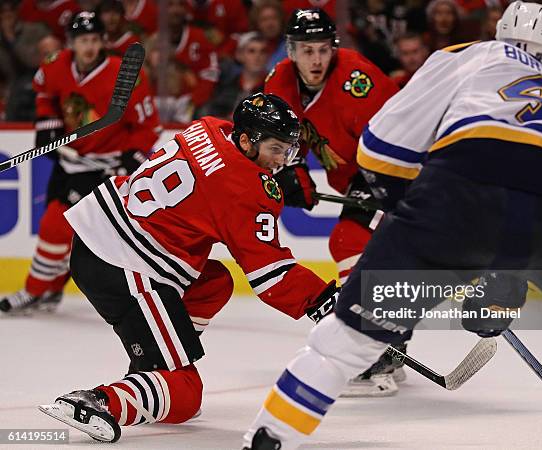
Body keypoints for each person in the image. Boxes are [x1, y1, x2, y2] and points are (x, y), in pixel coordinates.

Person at [243, 2, 542, 449]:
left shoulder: (471, 54)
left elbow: (382, 144)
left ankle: (268, 439)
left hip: (461, 185)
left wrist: (407, 215)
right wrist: (505, 276)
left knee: (339, 346)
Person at [37, 93, 341, 443]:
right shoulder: (247, 191)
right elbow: (271, 274)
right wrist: (322, 300)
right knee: (185, 394)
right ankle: (102, 401)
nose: (282, 160)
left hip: (101, 233)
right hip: (127, 263)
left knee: (214, 282)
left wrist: (273, 177)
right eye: (277, 149)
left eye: (288, 151)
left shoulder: (209, 127)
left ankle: (155, 363)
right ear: (247, 140)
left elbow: (218, 179)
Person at [264, 8, 403, 397]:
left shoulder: (356, 79)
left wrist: (390, 188)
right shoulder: (280, 82)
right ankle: (387, 342)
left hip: (391, 168)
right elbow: (282, 138)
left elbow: (397, 136)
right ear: (291, 51)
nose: (316, 60)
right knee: (371, 252)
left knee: (347, 240)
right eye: (307, 51)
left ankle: (368, 343)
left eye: (323, 50)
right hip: (354, 175)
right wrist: (294, 173)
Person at [0, 12, 160, 314]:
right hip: (68, 160)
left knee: (55, 224)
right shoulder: (55, 64)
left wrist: (130, 159)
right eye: (83, 40)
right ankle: (51, 290)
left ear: (103, 42)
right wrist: (47, 121)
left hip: (103, 167)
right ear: (71, 43)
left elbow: (148, 126)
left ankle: (34, 291)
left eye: (94, 40)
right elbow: (45, 94)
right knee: (64, 230)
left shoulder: (124, 75)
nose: (89, 47)